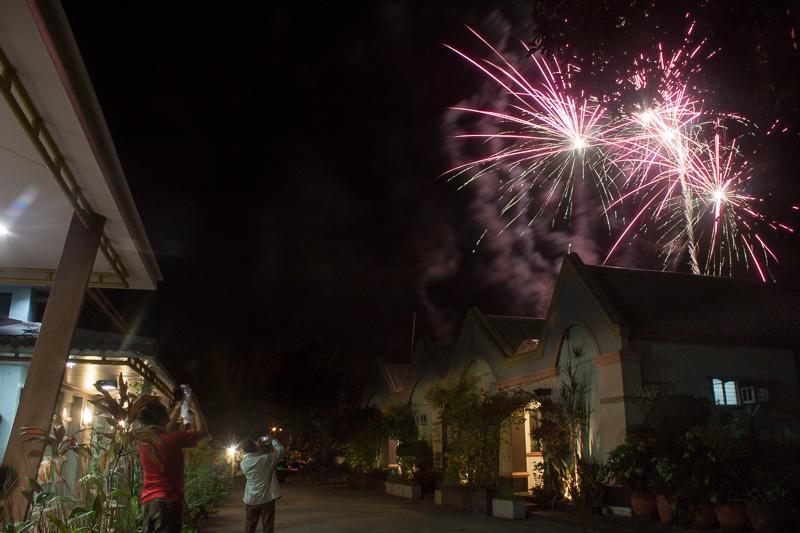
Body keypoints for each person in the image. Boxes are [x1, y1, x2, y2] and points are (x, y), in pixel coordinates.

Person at [137, 390, 207, 533]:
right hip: (168, 502)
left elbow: (164, 430)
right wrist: (195, 406)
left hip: (149, 502)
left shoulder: (144, 441)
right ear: (164, 418)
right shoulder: (173, 439)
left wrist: (178, 407)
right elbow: (202, 432)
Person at [240, 435, 284, 533]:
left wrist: (257, 447)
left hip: (251, 499)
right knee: (268, 527)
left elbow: (255, 455)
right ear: (256, 447)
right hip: (266, 499)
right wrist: (273, 440)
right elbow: (280, 450)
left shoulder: (243, 463)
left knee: (250, 527)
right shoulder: (267, 459)